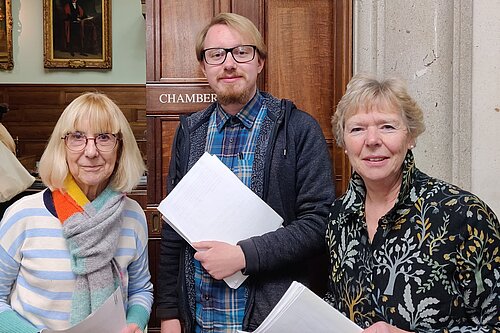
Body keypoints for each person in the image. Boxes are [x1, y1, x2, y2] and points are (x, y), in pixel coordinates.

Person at [156, 12, 335, 333]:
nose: (229, 64)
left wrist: (244, 256)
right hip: (199, 320)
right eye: (216, 54)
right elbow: (173, 229)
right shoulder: (191, 133)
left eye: (241, 52)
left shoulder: (297, 129)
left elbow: (318, 222)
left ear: (259, 62)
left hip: (268, 319)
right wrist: (169, 312)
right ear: (204, 66)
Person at [325, 73, 500, 332]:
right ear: (345, 144)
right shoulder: (340, 217)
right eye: (357, 129)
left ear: (411, 137)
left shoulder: (463, 215)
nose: (372, 140)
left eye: (387, 126)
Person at [0, 92, 153, 333]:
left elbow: (141, 290)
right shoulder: (23, 215)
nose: (91, 152)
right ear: (62, 146)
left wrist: (135, 322)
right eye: (77, 137)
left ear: (120, 147)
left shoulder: (133, 215)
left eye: (104, 138)